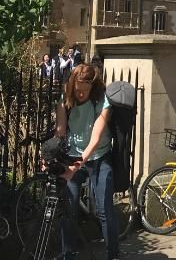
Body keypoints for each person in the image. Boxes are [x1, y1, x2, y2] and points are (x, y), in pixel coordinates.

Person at [55, 62, 119, 260]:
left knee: (104, 209)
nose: (80, 94)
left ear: (93, 86)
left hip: (99, 156)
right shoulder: (67, 99)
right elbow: (60, 131)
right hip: (74, 155)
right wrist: (52, 154)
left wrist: (75, 167)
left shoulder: (102, 100)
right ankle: (68, 253)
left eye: (84, 91)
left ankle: (113, 254)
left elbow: (96, 139)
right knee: (68, 207)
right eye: (77, 90)